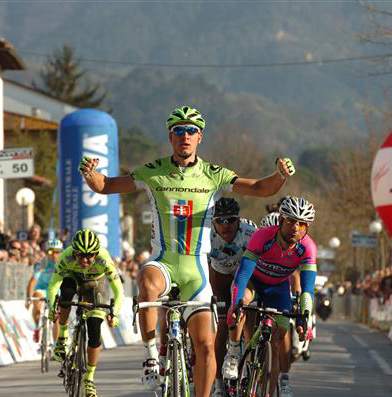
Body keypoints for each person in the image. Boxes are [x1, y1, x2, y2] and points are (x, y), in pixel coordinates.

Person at [79, 105, 295, 396]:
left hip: (196, 270)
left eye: (191, 131)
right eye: (178, 131)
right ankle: (152, 358)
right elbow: (106, 186)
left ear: (199, 137)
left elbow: (259, 188)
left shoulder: (213, 174)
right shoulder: (153, 172)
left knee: (206, 345)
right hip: (163, 262)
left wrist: (279, 176)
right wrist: (91, 175)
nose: (185, 136)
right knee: (146, 280)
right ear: (170, 136)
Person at [224, 196, 317, 397]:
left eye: (302, 224)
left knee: (275, 343)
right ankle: (233, 352)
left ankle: (267, 392)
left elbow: (308, 290)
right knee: (242, 302)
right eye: (291, 221)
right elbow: (243, 274)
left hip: (278, 288)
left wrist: (305, 318)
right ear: (282, 220)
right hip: (253, 282)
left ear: (307, 227)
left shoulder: (308, 248)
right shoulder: (263, 236)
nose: (296, 228)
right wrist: (235, 305)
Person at [47, 229, 124, 397]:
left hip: (95, 284)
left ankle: (89, 378)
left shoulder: (104, 260)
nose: (84, 260)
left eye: (89, 256)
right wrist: (52, 308)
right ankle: (63, 337)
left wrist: (115, 313)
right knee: (65, 293)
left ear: (96, 254)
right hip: (73, 278)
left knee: (95, 329)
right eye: (80, 255)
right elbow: (53, 285)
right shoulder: (66, 257)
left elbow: (118, 291)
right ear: (73, 252)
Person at [207, 197, 256, 397]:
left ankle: (241, 361)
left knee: (244, 312)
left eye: (231, 220)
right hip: (218, 278)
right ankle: (219, 384)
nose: (226, 226)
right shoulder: (206, 235)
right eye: (220, 221)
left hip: (246, 277)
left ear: (239, 220)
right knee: (220, 331)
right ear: (213, 222)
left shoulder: (250, 233)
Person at [25, 239, 63, 342]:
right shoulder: (43, 263)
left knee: (57, 318)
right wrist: (29, 298)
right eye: (51, 251)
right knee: (36, 298)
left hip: (57, 290)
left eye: (57, 252)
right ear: (47, 252)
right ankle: (37, 327)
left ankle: (56, 344)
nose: (54, 255)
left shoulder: (63, 263)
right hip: (43, 289)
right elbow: (33, 281)